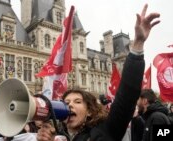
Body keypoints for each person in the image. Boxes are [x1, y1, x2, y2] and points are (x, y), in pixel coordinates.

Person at [36, 4, 160, 141]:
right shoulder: (59, 137)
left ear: (89, 110)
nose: (69, 105)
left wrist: (137, 45)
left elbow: (127, 96)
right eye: (66, 102)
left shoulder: (105, 130)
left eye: (77, 101)